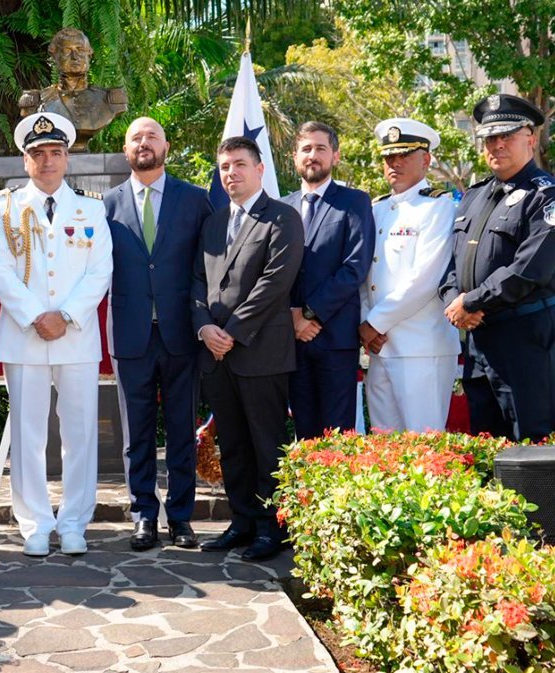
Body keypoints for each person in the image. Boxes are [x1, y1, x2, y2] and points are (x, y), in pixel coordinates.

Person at [0, 112, 113, 557]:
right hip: (25, 336)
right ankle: (35, 523)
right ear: (25, 161)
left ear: (67, 158)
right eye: (38, 154)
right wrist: (38, 316)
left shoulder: (92, 209)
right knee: (28, 434)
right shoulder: (3, 210)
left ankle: (75, 521)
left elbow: (101, 271)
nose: (47, 161)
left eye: (56, 153)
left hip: (75, 338)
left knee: (80, 433)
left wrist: (67, 316)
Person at [103, 117, 213, 551]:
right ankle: (144, 515)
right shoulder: (105, 206)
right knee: (137, 434)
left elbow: (208, 267)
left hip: (182, 334)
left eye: (151, 136)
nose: (143, 143)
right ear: (125, 149)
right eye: (135, 138)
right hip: (131, 336)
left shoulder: (196, 200)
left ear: (167, 145)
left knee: (181, 430)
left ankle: (181, 518)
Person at [192, 136, 303, 562]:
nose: (231, 173)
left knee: (265, 444)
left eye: (240, 164)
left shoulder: (282, 218)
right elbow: (197, 282)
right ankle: (240, 523)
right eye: (224, 167)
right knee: (233, 444)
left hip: (259, 351)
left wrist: (232, 332)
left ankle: (271, 529)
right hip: (216, 354)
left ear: (260, 169)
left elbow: (275, 283)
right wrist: (204, 327)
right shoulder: (213, 221)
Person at [439, 94, 555, 441]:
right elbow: (451, 263)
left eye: (507, 136)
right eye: (490, 138)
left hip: (524, 341)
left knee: (533, 445)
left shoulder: (546, 196)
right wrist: (455, 302)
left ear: (531, 139)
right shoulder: (474, 196)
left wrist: (472, 302)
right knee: (488, 444)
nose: (497, 145)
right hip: (478, 341)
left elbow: (530, 269)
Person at [360, 119, 460, 432]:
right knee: (385, 454)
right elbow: (364, 274)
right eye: (389, 157)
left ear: (426, 160)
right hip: (379, 347)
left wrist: (372, 324)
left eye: (404, 155)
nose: (395, 163)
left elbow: (425, 280)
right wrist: (366, 323)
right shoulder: (375, 209)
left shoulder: (439, 207)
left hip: (421, 346)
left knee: (425, 450)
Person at [283, 122, 374, 439]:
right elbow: (272, 272)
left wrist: (309, 313)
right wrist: (292, 316)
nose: (312, 155)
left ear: (335, 156)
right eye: (306, 149)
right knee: (304, 435)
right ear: (295, 157)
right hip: (291, 342)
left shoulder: (355, 202)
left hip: (335, 339)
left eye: (320, 148)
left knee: (338, 437)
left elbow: (354, 267)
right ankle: (305, 491)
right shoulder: (282, 207)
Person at [19, 28, 128, 152]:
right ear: (54, 55)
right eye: (67, 51)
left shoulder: (110, 100)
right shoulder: (38, 101)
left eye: (80, 50)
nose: (75, 57)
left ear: (89, 54)